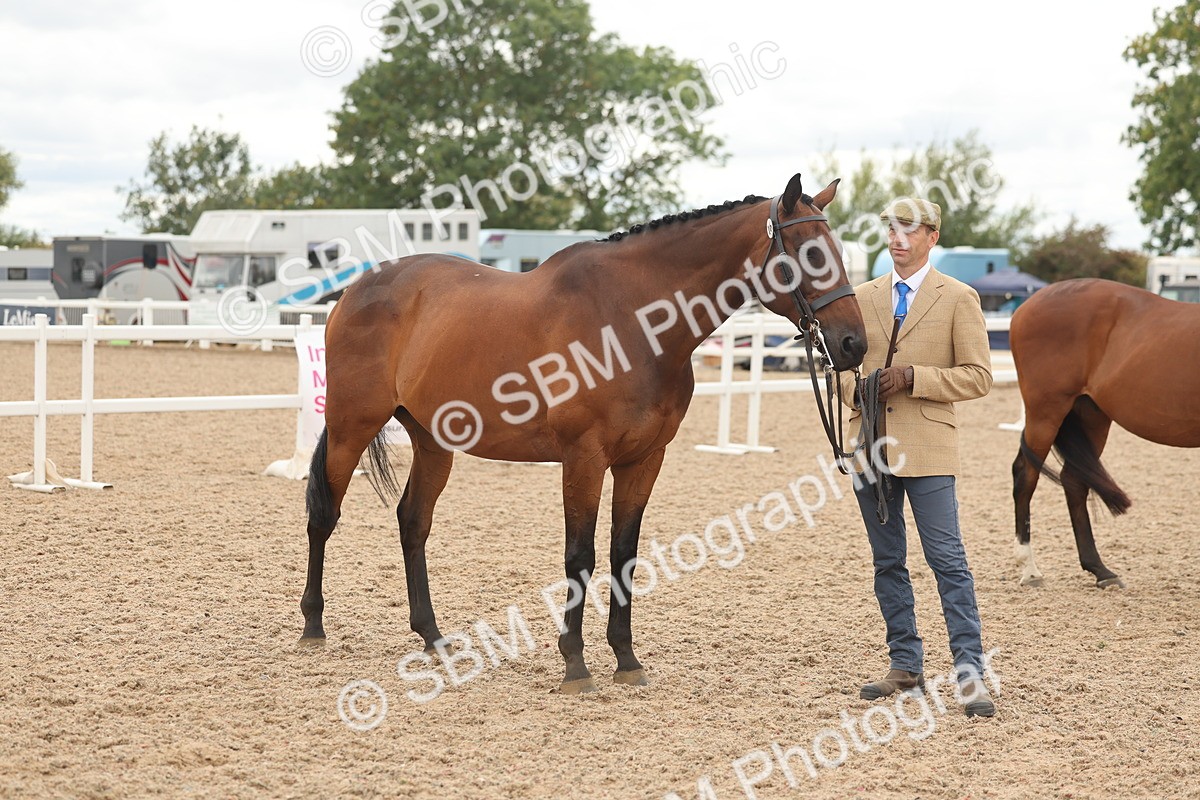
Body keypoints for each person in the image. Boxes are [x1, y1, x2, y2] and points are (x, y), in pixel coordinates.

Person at [839, 197, 995, 717]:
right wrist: (856, 389)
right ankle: (905, 666)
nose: (897, 238)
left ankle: (970, 674)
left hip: (928, 449)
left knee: (948, 561)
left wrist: (915, 379)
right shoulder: (860, 297)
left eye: (909, 229)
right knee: (888, 562)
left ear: (931, 237)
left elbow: (978, 376)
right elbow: (839, 370)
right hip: (871, 447)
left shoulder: (960, 298)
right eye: (891, 228)